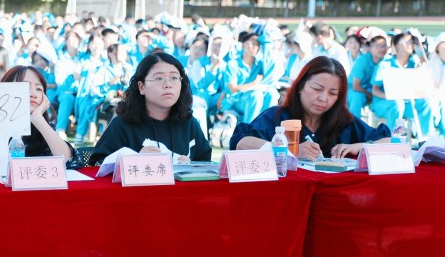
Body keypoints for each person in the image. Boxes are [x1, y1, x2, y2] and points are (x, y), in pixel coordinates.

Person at [230, 56, 391, 160]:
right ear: (300, 86)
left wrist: (360, 147)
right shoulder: (277, 116)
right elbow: (242, 142)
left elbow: (389, 142)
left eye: (333, 93)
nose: (323, 98)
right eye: (317, 89)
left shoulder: (345, 122)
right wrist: (289, 151)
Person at [89, 52, 212, 164]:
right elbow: (96, 164)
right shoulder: (122, 125)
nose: (168, 84)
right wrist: (134, 161)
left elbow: (206, 165)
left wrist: (191, 166)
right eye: (159, 78)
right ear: (142, 87)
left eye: (174, 78)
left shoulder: (189, 124)